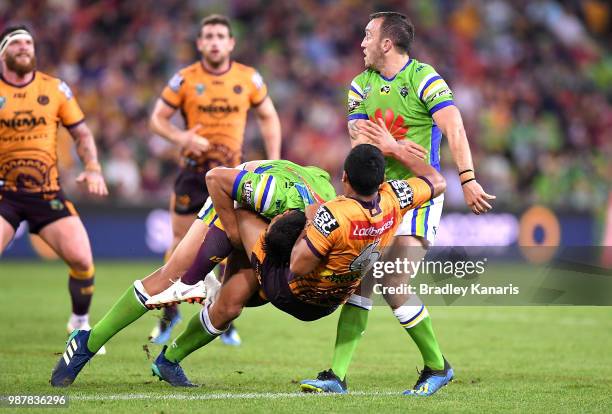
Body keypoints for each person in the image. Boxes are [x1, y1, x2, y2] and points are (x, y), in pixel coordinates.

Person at [301, 12, 495, 396]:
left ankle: (438, 367)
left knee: (393, 281)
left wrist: (468, 179)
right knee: (361, 281)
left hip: (420, 194)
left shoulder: (423, 78)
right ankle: (336, 377)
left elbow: (454, 127)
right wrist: (380, 155)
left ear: (386, 43)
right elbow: (359, 144)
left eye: (368, 35)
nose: (361, 43)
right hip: (381, 197)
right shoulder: (360, 86)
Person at [147, 141, 445, 388]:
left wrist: (305, 223)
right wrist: (401, 153)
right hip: (332, 303)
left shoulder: (331, 215)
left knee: (243, 212)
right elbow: (438, 182)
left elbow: (299, 265)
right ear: (381, 182)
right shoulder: (395, 198)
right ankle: (170, 360)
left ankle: (203, 278)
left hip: (290, 291)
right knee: (231, 303)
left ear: (344, 178)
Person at [50, 159, 336, 387]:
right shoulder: (269, 194)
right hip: (235, 193)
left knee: (231, 306)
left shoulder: (327, 221)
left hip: (280, 207)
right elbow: (215, 178)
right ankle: (86, 342)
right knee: (172, 275)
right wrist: (234, 230)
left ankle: (168, 361)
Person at [148, 14, 281, 345]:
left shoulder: (248, 79)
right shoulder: (185, 79)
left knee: (230, 246)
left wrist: (274, 160)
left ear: (231, 43)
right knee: (179, 245)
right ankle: (170, 314)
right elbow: (157, 120)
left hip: (228, 179)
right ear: (200, 43)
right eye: (208, 36)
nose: (214, 41)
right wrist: (182, 139)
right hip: (192, 175)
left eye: (221, 35)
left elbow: (268, 116)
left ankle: (222, 314)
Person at [0, 25, 108, 351]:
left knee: (82, 260)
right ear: (3, 52)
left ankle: (79, 323)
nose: (23, 47)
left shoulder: (55, 89)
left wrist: (92, 167)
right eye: (16, 42)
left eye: (28, 42)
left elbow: (83, 134)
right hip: (4, 195)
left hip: (47, 194)